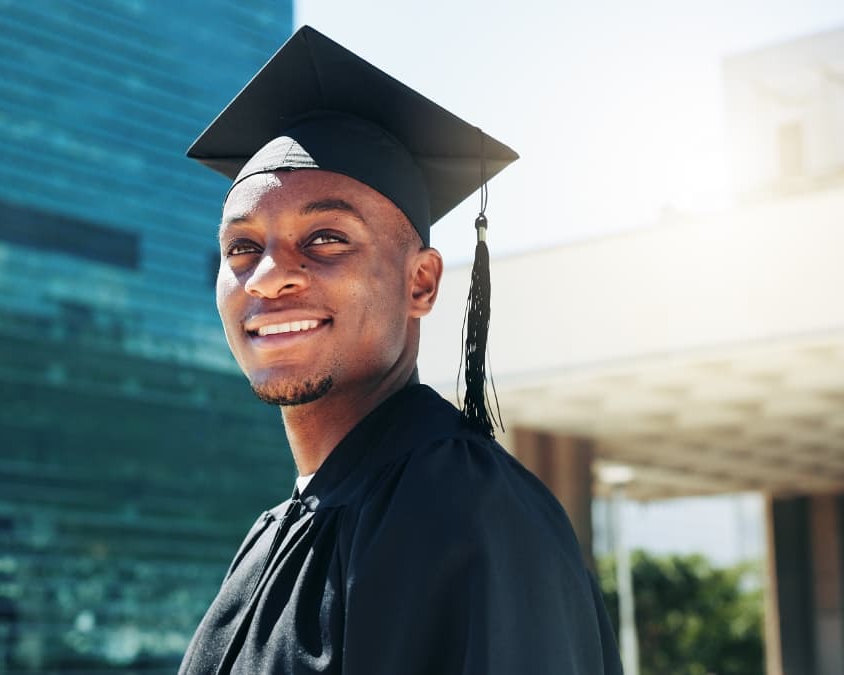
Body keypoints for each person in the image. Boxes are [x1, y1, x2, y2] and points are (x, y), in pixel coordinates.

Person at [179, 26, 622, 675]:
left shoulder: (463, 507)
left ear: (421, 282)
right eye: (241, 247)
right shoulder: (274, 533)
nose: (269, 275)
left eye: (326, 237)